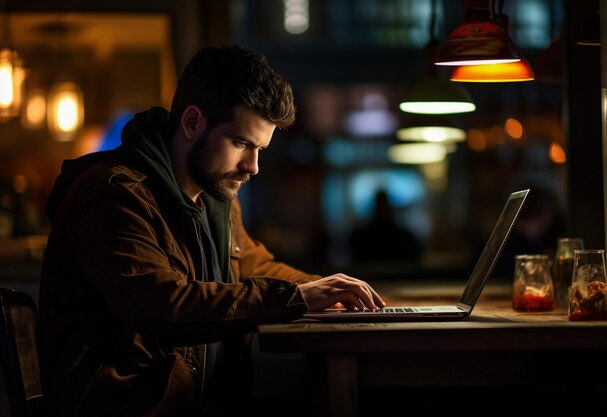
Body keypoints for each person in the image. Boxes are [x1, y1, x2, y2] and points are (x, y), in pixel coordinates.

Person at [37, 44, 385, 417]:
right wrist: (299, 297)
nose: (253, 167)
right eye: (240, 143)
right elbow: (164, 307)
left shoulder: (214, 201)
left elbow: (254, 267)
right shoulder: (112, 194)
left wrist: (334, 292)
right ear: (191, 123)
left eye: (260, 149)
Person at [348, 189, 421, 263]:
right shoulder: (405, 237)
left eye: (383, 204)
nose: (381, 208)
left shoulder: (359, 236)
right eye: (380, 204)